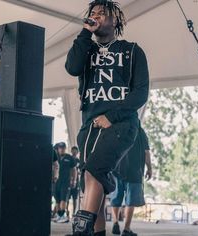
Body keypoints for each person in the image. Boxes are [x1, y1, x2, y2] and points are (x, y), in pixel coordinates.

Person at [65, 0, 149, 235]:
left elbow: (141, 92)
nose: (97, 16)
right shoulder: (86, 49)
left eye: (103, 13)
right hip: (89, 126)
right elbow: (72, 67)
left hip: (121, 123)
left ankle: (81, 229)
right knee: (93, 187)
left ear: (117, 20)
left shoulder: (132, 51)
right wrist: (84, 32)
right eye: (94, 13)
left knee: (95, 170)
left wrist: (112, 116)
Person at [111, 127, 152, 236]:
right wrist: (149, 168)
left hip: (117, 168)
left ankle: (115, 222)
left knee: (116, 197)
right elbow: (146, 152)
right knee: (131, 200)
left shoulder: (118, 128)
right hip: (134, 170)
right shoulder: (140, 132)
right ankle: (126, 229)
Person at [54, 142, 77, 223]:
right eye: (60, 148)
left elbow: (74, 170)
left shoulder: (69, 158)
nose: (62, 149)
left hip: (65, 181)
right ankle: (58, 215)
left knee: (63, 198)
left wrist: (74, 180)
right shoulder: (55, 157)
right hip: (56, 181)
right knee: (57, 199)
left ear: (65, 148)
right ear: (58, 148)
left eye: (63, 148)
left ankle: (63, 215)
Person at [67, 146, 81, 217]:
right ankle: (66, 212)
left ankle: (74, 213)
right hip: (68, 180)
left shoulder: (79, 161)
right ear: (71, 151)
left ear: (77, 152)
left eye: (76, 151)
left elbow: (80, 170)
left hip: (76, 181)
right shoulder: (68, 159)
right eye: (73, 150)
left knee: (75, 198)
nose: (74, 152)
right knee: (67, 197)